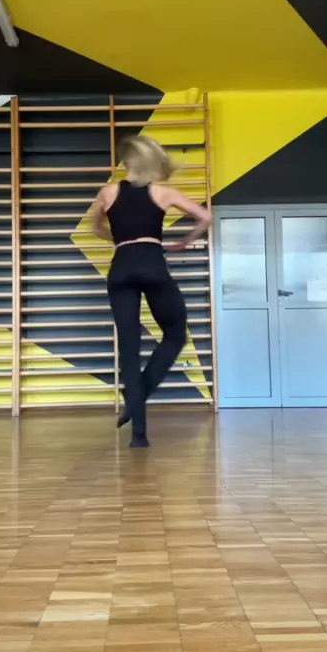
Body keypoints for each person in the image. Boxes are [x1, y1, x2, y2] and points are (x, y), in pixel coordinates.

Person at [92, 135, 212, 448]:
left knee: (129, 348)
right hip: (152, 264)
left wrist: (120, 239)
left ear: (126, 162)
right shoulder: (162, 192)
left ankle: (139, 436)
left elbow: (96, 228)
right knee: (175, 334)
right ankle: (138, 396)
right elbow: (205, 217)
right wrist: (185, 241)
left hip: (121, 268)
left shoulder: (108, 192)